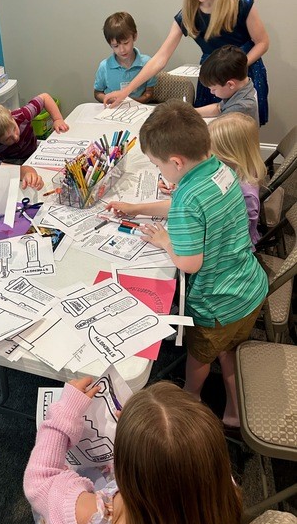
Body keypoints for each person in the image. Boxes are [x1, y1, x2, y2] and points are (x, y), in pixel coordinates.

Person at [106, 101, 268, 435]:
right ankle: (234, 411)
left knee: (199, 356)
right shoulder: (221, 170)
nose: (159, 170)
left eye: (157, 165)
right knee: (229, 349)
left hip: (217, 304)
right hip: (250, 287)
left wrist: (166, 241)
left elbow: (190, 263)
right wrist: (135, 208)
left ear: (176, 162)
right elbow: (188, 207)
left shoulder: (187, 199)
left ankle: (191, 396)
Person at [24, 378, 242, 524]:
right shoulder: (223, 495)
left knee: (48, 521)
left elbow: (41, 479)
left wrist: (65, 412)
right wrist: (142, 437)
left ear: (130, 471)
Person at [103, 0, 269, 126]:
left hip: (241, 74)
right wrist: (126, 92)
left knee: (240, 131)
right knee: (208, 129)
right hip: (212, 79)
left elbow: (262, 42)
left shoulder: (241, 4)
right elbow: (160, 58)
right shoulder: (189, 13)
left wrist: (235, 67)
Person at [209, 112, 266, 247]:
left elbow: (238, 235)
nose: (208, 154)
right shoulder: (237, 168)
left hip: (234, 246)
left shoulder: (245, 194)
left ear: (228, 154)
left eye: (212, 150)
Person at [0, 94, 69, 163]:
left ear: (11, 115)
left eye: (14, 129)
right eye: (8, 139)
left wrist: (57, 119)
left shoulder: (22, 115)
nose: (15, 137)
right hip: (14, 164)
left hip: (34, 152)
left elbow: (45, 97)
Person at [94, 12, 157, 104]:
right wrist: (110, 100)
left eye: (126, 43)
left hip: (138, 109)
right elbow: (97, 92)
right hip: (113, 109)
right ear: (110, 44)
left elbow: (149, 92)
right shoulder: (104, 66)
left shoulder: (147, 63)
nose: (122, 50)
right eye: (116, 46)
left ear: (134, 36)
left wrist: (131, 102)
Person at [196, 45, 259, 123]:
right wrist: (191, 112)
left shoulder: (241, 108)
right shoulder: (244, 87)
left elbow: (218, 128)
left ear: (230, 85)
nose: (211, 92)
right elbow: (219, 108)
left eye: (214, 89)